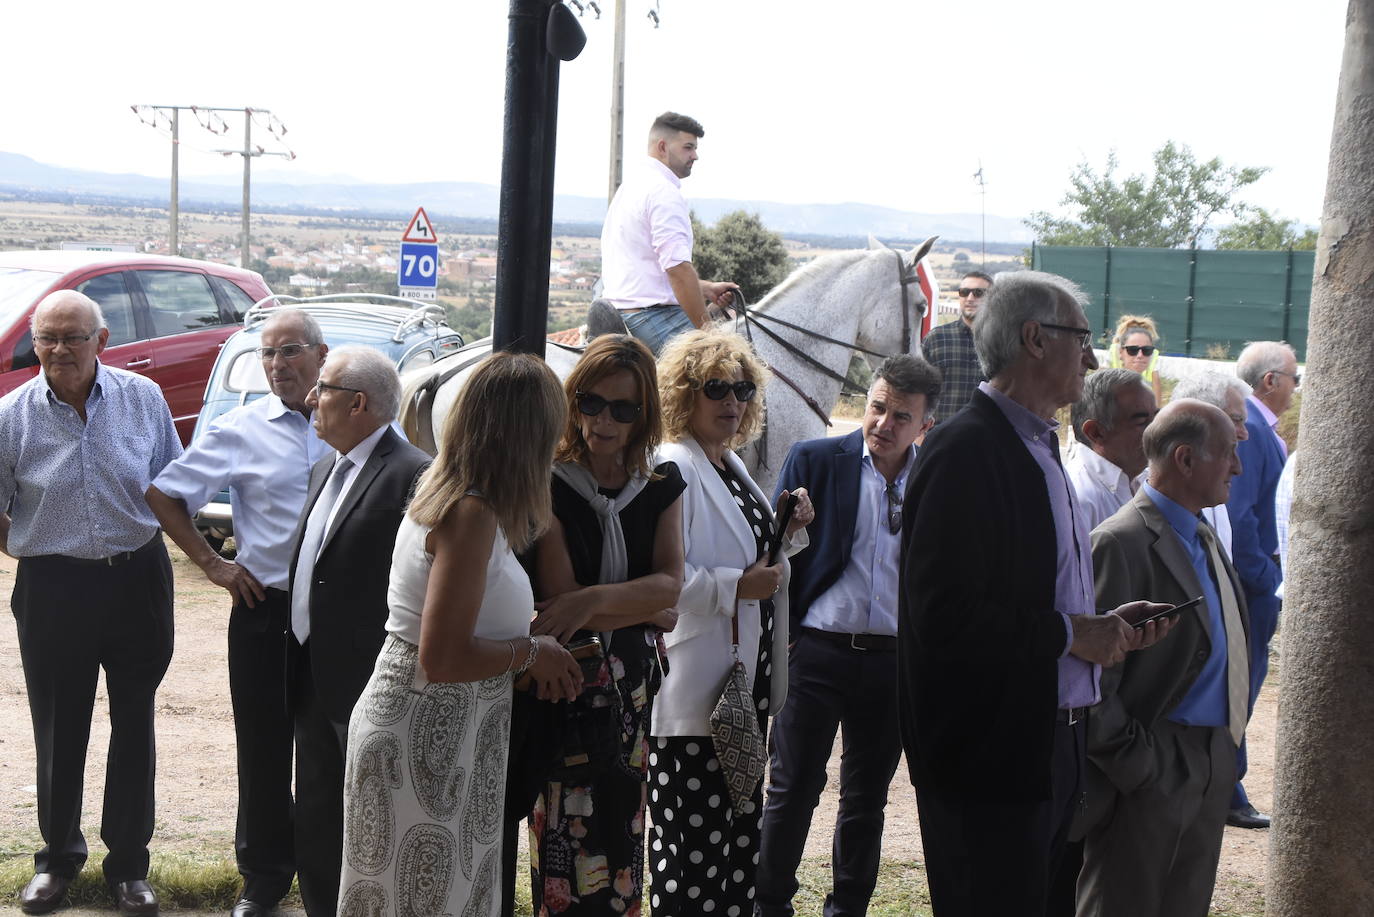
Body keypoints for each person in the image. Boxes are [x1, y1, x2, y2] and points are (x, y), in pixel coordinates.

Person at [898, 270, 1174, 917]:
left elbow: (1034, 599)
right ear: (1034, 339)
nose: (1091, 356)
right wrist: (1075, 634)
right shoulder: (964, 451)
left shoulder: (1042, 447)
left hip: (1054, 749)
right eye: (1081, 337)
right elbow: (942, 617)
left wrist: (1103, 624)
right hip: (990, 765)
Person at [337, 352, 582, 917]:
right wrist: (530, 653)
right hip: (427, 729)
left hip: (449, 731)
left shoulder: (465, 500)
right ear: (530, 434)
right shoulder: (468, 513)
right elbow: (443, 656)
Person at [146, 309, 333, 917]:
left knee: (334, 747)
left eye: (291, 351)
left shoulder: (357, 424)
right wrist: (211, 564)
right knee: (263, 747)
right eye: (268, 353)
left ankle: (330, 877)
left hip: (339, 614)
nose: (278, 364)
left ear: (322, 354)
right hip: (265, 609)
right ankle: (264, 879)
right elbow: (164, 493)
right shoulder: (240, 428)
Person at [0, 290, 181, 917]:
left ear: (101, 342)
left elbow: (167, 486)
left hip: (138, 580)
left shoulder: (144, 398)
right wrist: (35, 549)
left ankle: (129, 868)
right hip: (53, 588)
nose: (58, 350)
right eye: (47, 337)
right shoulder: (11, 415)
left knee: (135, 722)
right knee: (58, 725)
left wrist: (207, 559)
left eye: (73, 337)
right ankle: (56, 862)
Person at [756, 354, 941, 917]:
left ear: (925, 426)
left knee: (867, 799)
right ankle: (769, 906)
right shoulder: (816, 458)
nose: (883, 423)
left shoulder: (936, 478)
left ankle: (848, 909)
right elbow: (772, 552)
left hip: (891, 660)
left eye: (900, 416)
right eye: (877, 407)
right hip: (816, 652)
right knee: (791, 790)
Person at [648, 328, 814, 916]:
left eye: (743, 389)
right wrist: (735, 588)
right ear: (682, 394)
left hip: (740, 690)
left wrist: (784, 535)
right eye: (715, 388)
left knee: (736, 853)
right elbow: (662, 579)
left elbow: (755, 567)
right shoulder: (673, 464)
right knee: (692, 857)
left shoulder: (729, 463)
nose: (732, 402)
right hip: (696, 695)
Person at [524, 335, 686, 916]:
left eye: (623, 408)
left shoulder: (663, 485)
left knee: (625, 822)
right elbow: (559, 601)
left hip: (634, 692)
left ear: (644, 415)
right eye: (591, 403)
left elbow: (671, 588)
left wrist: (595, 600)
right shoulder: (550, 482)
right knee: (566, 829)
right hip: (572, 681)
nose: (604, 420)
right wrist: (639, 605)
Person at [1076, 399, 1249, 917]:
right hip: (1156, 758)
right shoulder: (1119, 541)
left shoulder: (1202, 530)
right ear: (1185, 459)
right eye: (1228, 453)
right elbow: (1091, 674)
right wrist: (1140, 764)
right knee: (1123, 904)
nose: (1238, 467)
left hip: (1210, 760)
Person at [284, 346, 431, 916]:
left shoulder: (412, 473)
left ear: (359, 403)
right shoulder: (326, 465)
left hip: (370, 683)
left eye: (322, 388)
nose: (310, 399)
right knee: (318, 814)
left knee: (372, 824)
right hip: (310, 675)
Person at [1224, 340, 1299, 829]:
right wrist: (1266, 578)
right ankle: (1228, 789)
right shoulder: (1249, 427)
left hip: (1257, 583)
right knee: (1239, 687)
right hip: (1253, 585)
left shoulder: (1258, 425)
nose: (1297, 386)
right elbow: (1242, 516)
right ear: (1270, 381)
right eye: (1294, 377)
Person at [598, 111, 738, 355]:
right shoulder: (663, 192)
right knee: (727, 370)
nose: (695, 155)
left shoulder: (632, 186)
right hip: (651, 317)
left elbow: (646, 268)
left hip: (624, 311)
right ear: (663, 147)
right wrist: (708, 333)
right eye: (688, 147)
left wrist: (704, 288)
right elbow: (678, 269)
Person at [1171, 371, 1254, 558]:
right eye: (1236, 420)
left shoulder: (1213, 495)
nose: (1244, 434)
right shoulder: (1156, 501)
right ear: (1198, 417)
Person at [1065, 368, 1157, 530]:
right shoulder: (1078, 499)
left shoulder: (1146, 478)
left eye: (1157, 418)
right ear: (1096, 433)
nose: (1157, 429)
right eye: (1142, 422)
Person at [921, 271, 990, 425]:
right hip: (939, 437)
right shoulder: (936, 339)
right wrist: (920, 437)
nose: (970, 298)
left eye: (978, 293)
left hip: (987, 438)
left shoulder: (1003, 342)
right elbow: (918, 390)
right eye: (964, 292)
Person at [1107, 315, 1166, 405]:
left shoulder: (1153, 363)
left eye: (1147, 350)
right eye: (1132, 350)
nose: (1140, 355)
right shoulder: (1111, 359)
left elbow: (1157, 407)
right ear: (1120, 352)